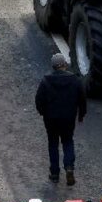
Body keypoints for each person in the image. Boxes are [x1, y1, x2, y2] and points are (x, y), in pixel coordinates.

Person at [35, 53, 87, 185]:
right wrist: (81, 115)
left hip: (51, 119)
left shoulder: (46, 81)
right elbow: (82, 100)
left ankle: (54, 173)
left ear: (53, 66)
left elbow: (39, 100)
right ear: (65, 64)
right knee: (68, 141)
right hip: (68, 119)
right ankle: (69, 167)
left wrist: (43, 112)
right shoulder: (74, 80)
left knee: (53, 144)